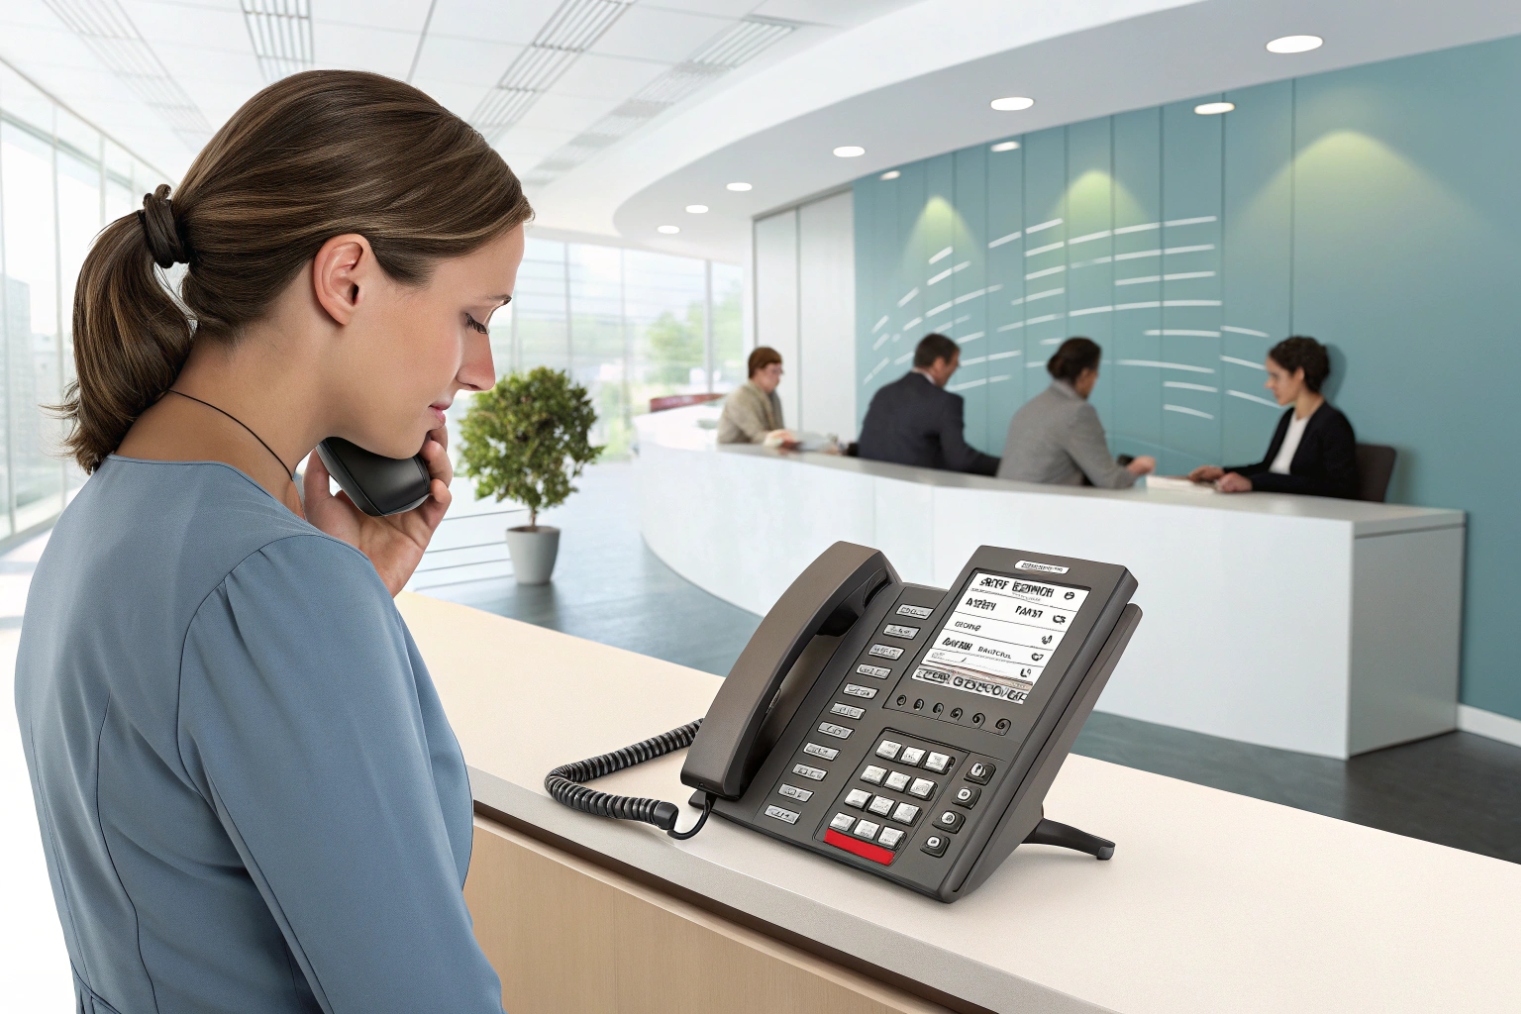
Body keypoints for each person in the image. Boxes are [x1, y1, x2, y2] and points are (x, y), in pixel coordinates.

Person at [14, 72, 529, 1012]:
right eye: (474, 318)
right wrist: (321, 602)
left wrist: (353, 599)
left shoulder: (108, 515)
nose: (485, 371)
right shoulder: (270, 580)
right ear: (348, 278)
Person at [1188, 336, 1357, 498]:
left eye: (1276, 376)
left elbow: (1340, 487)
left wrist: (1254, 483)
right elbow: (1269, 467)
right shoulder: (1289, 417)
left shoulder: (1332, 423)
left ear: (1299, 374)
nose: (1268, 384)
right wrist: (1223, 473)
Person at [998, 337, 1156, 488]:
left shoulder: (1030, 407)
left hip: (1012, 507)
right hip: (1046, 510)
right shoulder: (1077, 412)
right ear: (1085, 374)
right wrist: (1138, 467)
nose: (1096, 381)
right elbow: (1111, 481)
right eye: (1096, 373)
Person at [856, 332, 999, 474]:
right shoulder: (945, 402)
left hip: (875, 490)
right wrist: (1006, 465)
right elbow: (960, 460)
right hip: (921, 493)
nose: (953, 371)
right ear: (939, 364)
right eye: (955, 365)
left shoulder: (883, 393)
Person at [718, 345, 794, 445]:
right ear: (757, 371)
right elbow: (757, 436)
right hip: (734, 457)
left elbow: (778, 430)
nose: (778, 378)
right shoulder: (740, 397)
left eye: (780, 372)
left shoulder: (772, 396)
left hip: (759, 455)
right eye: (774, 371)